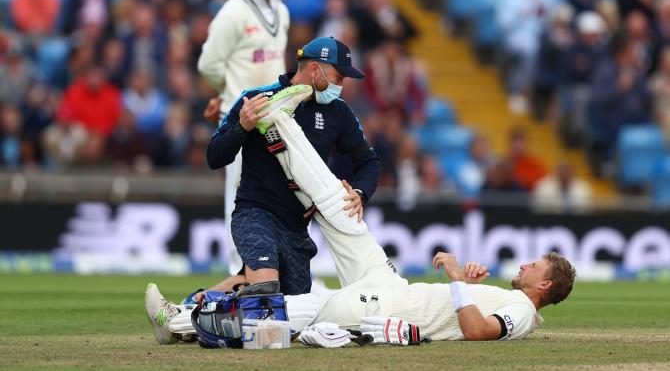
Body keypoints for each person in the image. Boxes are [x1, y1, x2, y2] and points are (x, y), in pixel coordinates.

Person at [145, 97, 575, 344]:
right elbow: (468, 316)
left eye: (534, 267)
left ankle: (179, 320)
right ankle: (279, 127)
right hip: (391, 287)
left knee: (296, 309)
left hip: (384, 308)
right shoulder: (512, 300)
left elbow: (478, 332)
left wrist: (458, 279)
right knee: (341, 205)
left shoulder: (520, 307)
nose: (524, 265)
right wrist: (470, 288)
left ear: (545, 287)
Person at [205, 36, 380, 296]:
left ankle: (191, 307)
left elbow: (368, 162)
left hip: (298, 227)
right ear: (314, 69)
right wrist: (242, 127)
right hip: (255, 212)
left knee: (293, 311)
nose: (341, 85)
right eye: (338, 77)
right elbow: (214, 157)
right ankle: (201, 310)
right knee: (265, 288)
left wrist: (361, 193)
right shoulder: (256, 99)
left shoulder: (339, 112)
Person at [197, 0, 290, 275]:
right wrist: (228, 96)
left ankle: (274, 268)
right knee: (239, 198)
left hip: (274, 119)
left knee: (276, 196)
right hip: (241, 121)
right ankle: (242, 271)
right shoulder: (233, 12)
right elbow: (208, 64)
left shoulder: (280, 10)